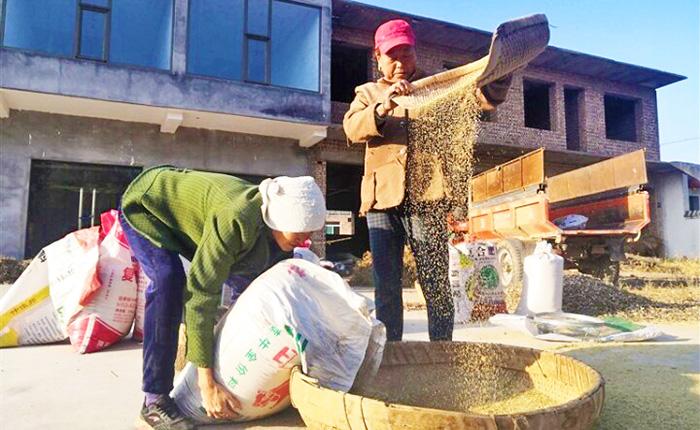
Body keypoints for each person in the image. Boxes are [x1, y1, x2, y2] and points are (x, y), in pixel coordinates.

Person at [119, 166, 326, 429]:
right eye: (300, 232)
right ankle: (154, 400)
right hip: (148, 205)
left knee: (253, 285)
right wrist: (205, 383)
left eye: (310, 234)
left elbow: (269, 296)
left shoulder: (279, 238)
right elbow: (201, 294)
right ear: (279, 219)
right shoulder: (235, 217)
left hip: (196, 223)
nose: (304, 241)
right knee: (168, 281)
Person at [343, 19, 511, 342]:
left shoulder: (436, 89)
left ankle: (441, 352)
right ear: (377, 56)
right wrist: (384, 104)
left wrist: (500, 77)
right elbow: (352, 128)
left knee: (435, 281)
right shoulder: (367, 93)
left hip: (427, 199)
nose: (400, 63)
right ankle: (391, 353)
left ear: (415, 54)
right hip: (383, 203)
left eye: (406, 54)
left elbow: (480, 98)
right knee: (387, 285)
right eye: (392, 55)